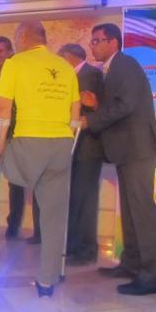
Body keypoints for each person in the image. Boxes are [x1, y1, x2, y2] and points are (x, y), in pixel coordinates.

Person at [0, 20, 80, 297]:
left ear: (22, 38)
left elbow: (3, 109)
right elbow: (75, 114)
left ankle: (8, 164)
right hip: (62, 144)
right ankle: (46, 281)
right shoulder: (65, 67)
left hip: (30, 142)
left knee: (4, 163)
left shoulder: (14, 63)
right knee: (54, 216)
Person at [80, 23, 156, 296]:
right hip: (128, 150)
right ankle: (132, 264)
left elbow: (126, 105)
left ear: (113, 42)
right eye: (92, 41)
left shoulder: (125, 64)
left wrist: (91, 119)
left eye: (97, 40)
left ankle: (152, 277)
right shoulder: (113, 69)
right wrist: (96, 105)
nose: (92, 45)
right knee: (130, 213)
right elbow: (119, 104)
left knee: (142, 213)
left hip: (138, 150)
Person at [0, 36, 41, 241]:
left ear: (10, 52)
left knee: (15, 182)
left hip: (15, 134)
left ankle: (13, 225)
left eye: (1, 51)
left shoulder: (21, 75)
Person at [57, 43, 104, 265]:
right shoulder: (72, 76)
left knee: (85, 200)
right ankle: (72, 246)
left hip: (88, 147)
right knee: (74, 198)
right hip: (73, 147)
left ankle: (86, 250)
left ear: (69, 57)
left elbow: (97, 108)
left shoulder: (91, 74)